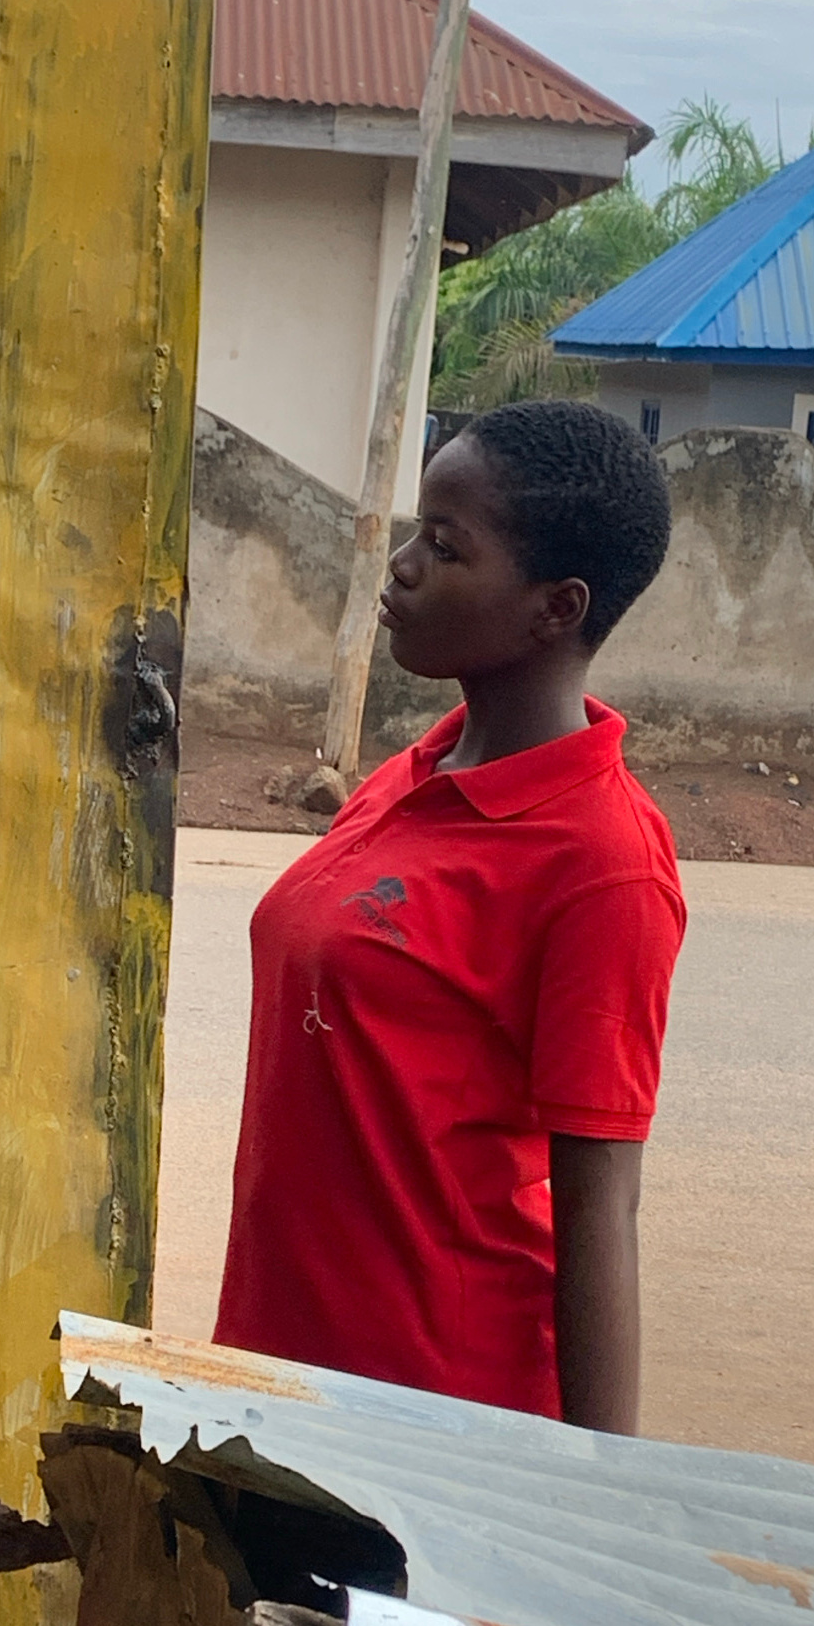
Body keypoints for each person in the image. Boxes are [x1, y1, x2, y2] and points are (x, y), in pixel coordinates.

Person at [213, 400, 685, 1432]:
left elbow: (601, 1203)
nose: (403, 566)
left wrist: (594, 1491)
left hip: (434, 1417)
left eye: (445, 545)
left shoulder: (602, 863)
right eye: (415, 529)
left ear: (556, 608)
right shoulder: (415, 773)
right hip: (285, 1379)